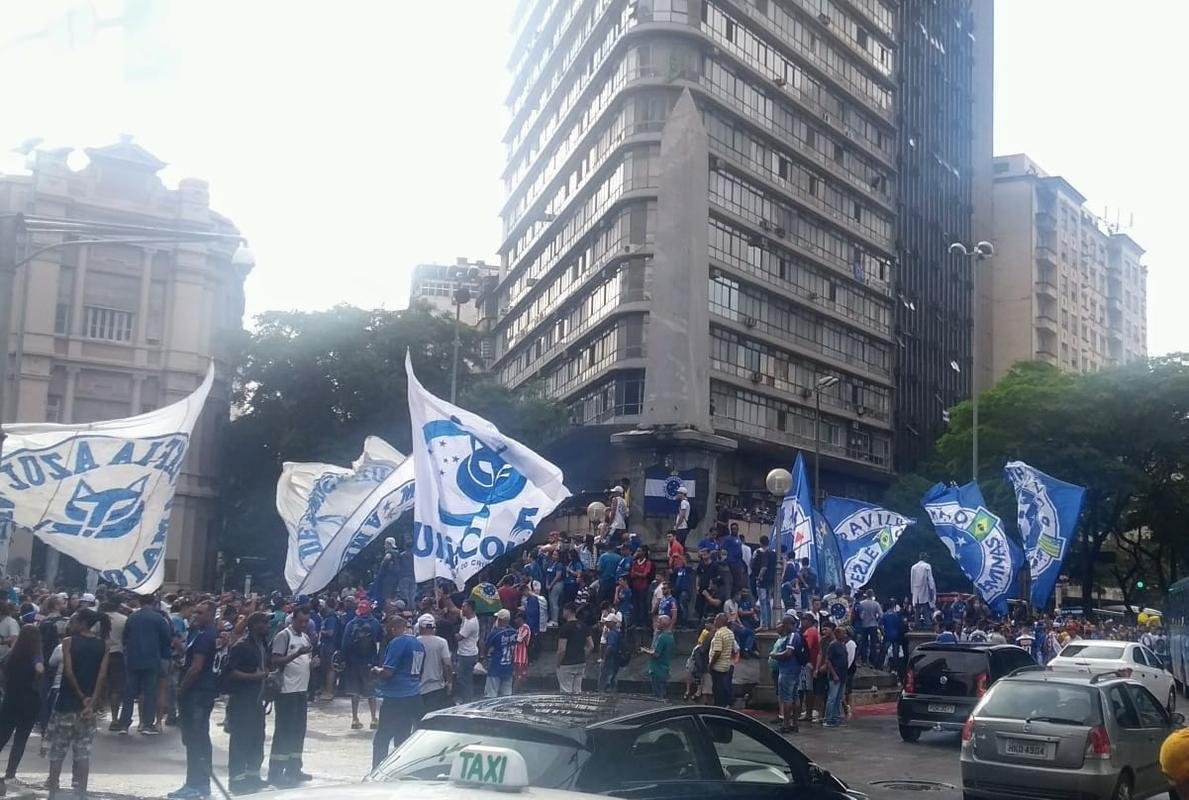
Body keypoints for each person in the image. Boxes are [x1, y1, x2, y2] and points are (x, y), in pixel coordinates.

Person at [44, 609, 109, 800]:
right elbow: (102, 675)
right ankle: (81, 793)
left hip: (66, 703)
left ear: (81, 622)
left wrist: (81, 696)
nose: (70, 624)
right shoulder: (103, 645)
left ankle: (53, 793)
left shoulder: (68, 642)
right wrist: (92, 701)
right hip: (87, 709)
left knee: (57, 751)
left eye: (73, 621)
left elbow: (69, 672)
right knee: (83, 753)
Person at [170, 602, 218, 800]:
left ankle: (195, 784)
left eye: (201, 612)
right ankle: (200, 783)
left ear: (211, 615)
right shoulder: (200, 634)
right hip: (201, 693)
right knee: (198, 738)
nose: (195, 615)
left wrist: (181, 690)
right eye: (195, 611)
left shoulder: (206, 636)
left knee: (195, 739)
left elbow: (196, 667)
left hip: (197, 694)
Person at [268, 605, 314, 787]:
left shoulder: (305, 637)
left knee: (298, 731)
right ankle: (276, 771)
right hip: (286, 692)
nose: (303, 624)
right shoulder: (283, 636)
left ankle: (294, 768)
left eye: (306, 621)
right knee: (283, 732)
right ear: (293, 619)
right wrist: (296, 654)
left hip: (301, 691)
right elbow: (275, 660)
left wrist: (312, 663)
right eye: (300, 621)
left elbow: (305, 661)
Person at [224, 612, 269, 795]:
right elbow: (230, 672)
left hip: (258, 702)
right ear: (255, 625)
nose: (267, 625)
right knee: (240, 741)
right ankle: (236, 781)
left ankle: (253, 776)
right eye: (265, 622)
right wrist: (254, 677)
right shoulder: (242, 646)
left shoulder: (263, 644)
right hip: (242, 702)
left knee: (257, 740)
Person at [371, 616, 424, 769]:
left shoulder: (398, 642)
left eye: (389, 630)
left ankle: (377, 771)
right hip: (413, 695)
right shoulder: (418, 644)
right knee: (403, 738)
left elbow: (388, 673)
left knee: (382, 738)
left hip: (396, 697)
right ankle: (401, 770)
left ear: (393, 628)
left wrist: (375, 671)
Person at [116, 593, 171, 735]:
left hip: (133, 659)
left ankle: (124, 724)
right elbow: (166, 638)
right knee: (149, 693)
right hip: (152, 659)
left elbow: (125, 637)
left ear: (139, 602)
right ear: (153, 602)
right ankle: (147, 724)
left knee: (129, 693)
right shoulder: (158, 618)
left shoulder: (132, 617)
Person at [0, 624, 44, 792]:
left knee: (2, 736)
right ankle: (10, 774)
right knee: (20, 740)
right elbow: (40, 669)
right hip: (29, 702)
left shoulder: (11, 656)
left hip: (11, 700)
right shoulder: (35, 654)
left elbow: (2, 672)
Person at [342, 600, 381, 730]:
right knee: (371, 691)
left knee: (355, 691)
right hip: (369, 662)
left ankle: (354, 719)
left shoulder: (351, 624)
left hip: (353, 662)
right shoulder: (375, 623)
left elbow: (345, 644)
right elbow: (379, 642)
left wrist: (344, 660)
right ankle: (374, 719)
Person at [770, 615, 804, 733]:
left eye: (784, 625)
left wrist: (775, 656)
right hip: (795, 669)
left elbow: (788, 653)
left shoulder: (793, 636)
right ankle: (794, 723)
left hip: (788, 669)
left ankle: (786, 724)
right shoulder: (797, 635)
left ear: (789, 624)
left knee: (787, 698)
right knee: (795, 697)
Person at [416, 614, 452, 714]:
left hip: (417, 688)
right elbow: (447, 664)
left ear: (420, 627)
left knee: (418, 719)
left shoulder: (414, 642)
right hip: (436, 687)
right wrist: (449, 682)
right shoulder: (442, 642)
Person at [555, 604, 590, 693]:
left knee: (566, 691)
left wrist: (558, 663)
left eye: (563, 611)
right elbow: (591, 645)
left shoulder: (565, 628)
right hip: (581, 663)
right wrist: (583, 657)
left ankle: (567, 707)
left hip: (567, 663)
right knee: (577, 690)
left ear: (568, 611)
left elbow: (562, 649)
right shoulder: (584, 626)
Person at [483, 609, 518, 698]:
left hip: (496, 667)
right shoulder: (514, 632)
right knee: (506, 696)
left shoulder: (495, 633)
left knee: (491, 696)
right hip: (509, 667)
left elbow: (486, 647)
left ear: (501, 620)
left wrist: (485, 658)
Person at [641, 614, 674, 699]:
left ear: (663, 624)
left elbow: (656, 654)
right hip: (664, 669)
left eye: (658, 622)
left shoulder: (662, 637)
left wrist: (645, 651)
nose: (656, 624)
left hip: (657, 670)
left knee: (658, 696)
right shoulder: (670, 636)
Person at [798, 613, 822, 724]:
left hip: (808, 663)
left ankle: (808, 712)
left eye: (804, 620)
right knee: (806, 689)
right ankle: (807, 711)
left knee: (807, 689)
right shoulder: (813, 631)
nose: (802, 622)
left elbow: (805, 647)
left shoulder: (810, 631)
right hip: (810, 663)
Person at [707, 613, 735, 707]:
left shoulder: (719, 634)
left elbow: (718, 652)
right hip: (726, 664)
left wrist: (711, 664)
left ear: (720, 621)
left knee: (717, 689)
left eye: (715, 620)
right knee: (723, 687)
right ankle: (726, 704)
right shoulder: (730, 632)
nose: (714, 622)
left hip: (718, 666)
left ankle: (719, 707)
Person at [823, 626, 848, 727]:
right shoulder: (833, 645)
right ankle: (829, 718)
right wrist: (834, 674)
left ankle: (836, 717)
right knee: (832, 698)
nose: (845, 635)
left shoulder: (843, 645)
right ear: (837, 634)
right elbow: (828, 661)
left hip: (842, 675)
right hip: (835, 675)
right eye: (843, 633)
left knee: (838, 698)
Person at [752, 536, 776, 630]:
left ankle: (764, 624)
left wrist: (759, 577)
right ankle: (768, 623)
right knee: (767, 602)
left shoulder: (763, 553)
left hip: (763, 581)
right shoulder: (773, 553)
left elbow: (764, 567)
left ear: (761, 543)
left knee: (763, 603)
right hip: (770, 581)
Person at [910, 554, 937, 628]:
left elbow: (912, 580)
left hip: (916, 590)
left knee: (917, 609)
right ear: (924, 558)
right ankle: (928, 623)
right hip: (924, 588)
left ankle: (917, 624)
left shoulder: (913, 567)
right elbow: (930, 578)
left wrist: (912, 591)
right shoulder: (927, 566)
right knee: (926, 607)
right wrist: (932, 589)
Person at [856, 591, 882, 666]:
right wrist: (877, 620)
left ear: (866, 595)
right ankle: (872, 661)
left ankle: (864, 660)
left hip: (864, 625)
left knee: (864, 643)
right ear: (872, 595)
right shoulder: (876, 604)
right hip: (873, 625)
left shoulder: (862, 603)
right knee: (873, 644)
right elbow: (881, 615)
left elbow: (860, 615)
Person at [598, 613, 622, 693]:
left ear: (613, 623)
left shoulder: (611, 633)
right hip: (616, 658)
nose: (606, 623)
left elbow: (610, 647)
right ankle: (613, 692)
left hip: (611, 658)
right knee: (613, 676)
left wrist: (604, 658)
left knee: (608, 676)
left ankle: (606, 692)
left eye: (608, 621)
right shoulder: (618, 633)